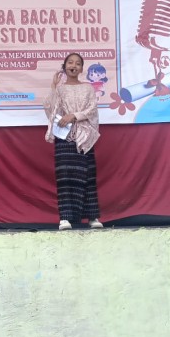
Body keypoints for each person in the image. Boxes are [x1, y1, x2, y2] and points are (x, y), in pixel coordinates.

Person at [43, 52, 104, 230]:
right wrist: (53, 88)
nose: (74, 65)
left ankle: (92, 217)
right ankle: (65, 218)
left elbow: (92, 110)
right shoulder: (60, 89)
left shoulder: (88, 88)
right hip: (65, 137)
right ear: (64, 66)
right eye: (70, 62)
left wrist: (74, 116)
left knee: (87, 176)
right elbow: (49, 109)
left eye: (78, 63)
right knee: (65, 176)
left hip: (84, 137)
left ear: (82, 69)